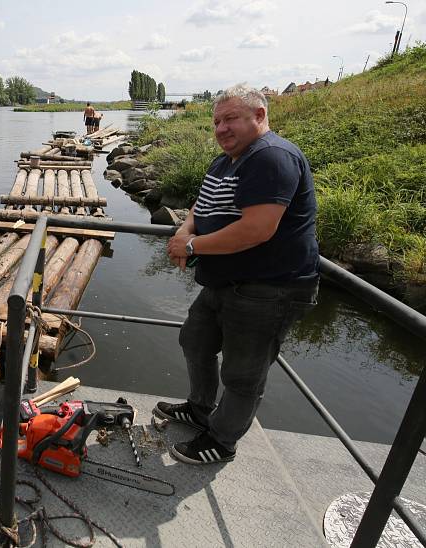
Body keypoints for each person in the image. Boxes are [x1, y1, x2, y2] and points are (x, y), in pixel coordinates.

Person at [155, 83, 319, 465]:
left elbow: (257, 229)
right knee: (195, 341)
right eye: (216, 121)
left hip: (268, 288)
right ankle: (199, 409)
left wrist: (192, 247)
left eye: (231, 119)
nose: (221, 129)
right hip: (225, 282)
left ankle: (222, 440)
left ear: (259, 116)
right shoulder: (226, 160)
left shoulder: (271, 157)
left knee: (243, 374)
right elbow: (201, 203)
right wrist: (185, 230)